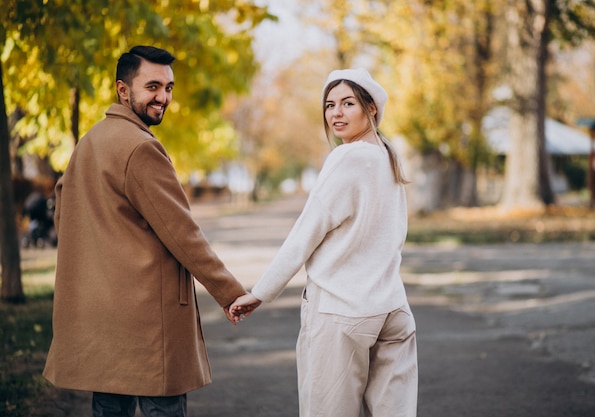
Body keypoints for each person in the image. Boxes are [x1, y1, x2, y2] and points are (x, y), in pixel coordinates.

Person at [43, 45, 247, 417]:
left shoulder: (88, 143)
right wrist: (229, 292)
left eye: (168, 88)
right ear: (123, 90)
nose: (163, 97)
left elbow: (65, 216)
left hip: (101, 321)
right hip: (148, 326)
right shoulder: (140, 148)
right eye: (152, 86)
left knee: (109, 409)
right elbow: (182, 233)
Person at [230, 68, 418, 417]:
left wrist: (261, 291)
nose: (336, 113)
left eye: (348, 103)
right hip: (392, 310)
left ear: (371, 108)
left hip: (343, 312)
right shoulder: (389, 156)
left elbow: (307, 231)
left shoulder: (347, 157)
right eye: (330, 105)